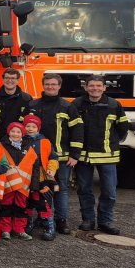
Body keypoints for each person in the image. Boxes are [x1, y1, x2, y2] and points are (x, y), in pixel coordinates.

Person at [26, 72, 83, 235]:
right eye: (47, 84)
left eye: (53, 84)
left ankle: (61, 220)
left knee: (61, 189)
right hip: (36, 157)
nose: (50, 87)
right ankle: (42, 218)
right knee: (38, 189)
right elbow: (25, 129)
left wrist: (75, 154)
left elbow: (77, 130)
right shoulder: (33, 105)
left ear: (59, 86)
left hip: (62, 156)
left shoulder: (68, 106)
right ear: (43, 85)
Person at [71, 75, 128, 235]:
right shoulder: (77, 104)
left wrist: (113, 143)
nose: (95, 88)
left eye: (98, 86)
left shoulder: (114, 105)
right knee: (84, 189)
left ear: (104, 88)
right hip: (84, 156)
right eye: (92, 86)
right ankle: (88, 220)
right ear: (86, 87)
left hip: (107, 156)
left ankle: (105, 221)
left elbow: (122, 127)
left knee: (109, 192)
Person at [22, 114, 59, 241]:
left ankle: (50, 227)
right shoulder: (20, 141)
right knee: (27, 203)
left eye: (33, 126)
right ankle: (28, 223)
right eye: (27, 126)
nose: (30, 129)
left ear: (38, 128)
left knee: (43, 203)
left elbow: (53, 158)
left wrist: (51, 169)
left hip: (41, 179)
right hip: (25, 178)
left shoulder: (45, 142)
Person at [0, 122, 36, 241]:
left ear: (22, 134)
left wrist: (35, 185)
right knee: (6, 205)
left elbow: (35, 166)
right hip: (7, 183)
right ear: (8, 132)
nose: (15, 134)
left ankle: (19, 229)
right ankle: (5, 229)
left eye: (18, 132)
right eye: (13, 131)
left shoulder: (29, 148)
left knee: (21, 206)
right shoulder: (1, 146)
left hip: (23, 185)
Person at [0, 68, 33, 136]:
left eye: (13, 78)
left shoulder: (27, 99)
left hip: (18, 140)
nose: (9, 80)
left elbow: (30, 122)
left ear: (17, 80)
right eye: (7, 78)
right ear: (3, 79)